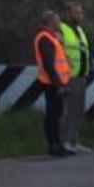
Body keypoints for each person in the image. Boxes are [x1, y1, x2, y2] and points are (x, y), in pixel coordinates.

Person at [32, 10, 73, 157]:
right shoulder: (44, 38)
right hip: (52, 83)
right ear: (50, 21)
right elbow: (49, 64)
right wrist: (59, 84)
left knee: (56, 114)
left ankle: (57, 144)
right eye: (57, 20)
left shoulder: (50, 37)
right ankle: (54, 146)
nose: (59, 23)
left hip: (56, 81)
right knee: (53, 116)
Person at [58, 2, 94, 152]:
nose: (78, 16)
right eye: (75, 12)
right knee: (69, 110)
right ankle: (65, 140)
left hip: (81, 74)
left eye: (80, 13)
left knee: (79, 109)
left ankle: (74, 140)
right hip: (69, 75)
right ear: (67, 13)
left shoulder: (79, 30)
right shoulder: (62, 28)